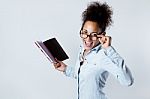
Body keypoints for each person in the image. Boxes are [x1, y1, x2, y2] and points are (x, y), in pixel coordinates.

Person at [53, 1, 134, 99]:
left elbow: (127, 81)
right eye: (85, 32)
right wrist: (65, 69)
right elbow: (83, 76)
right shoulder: (83, 49)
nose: (87, 38)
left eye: (94, 35)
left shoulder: (104, 55)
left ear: (102, 35)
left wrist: (109, 49)